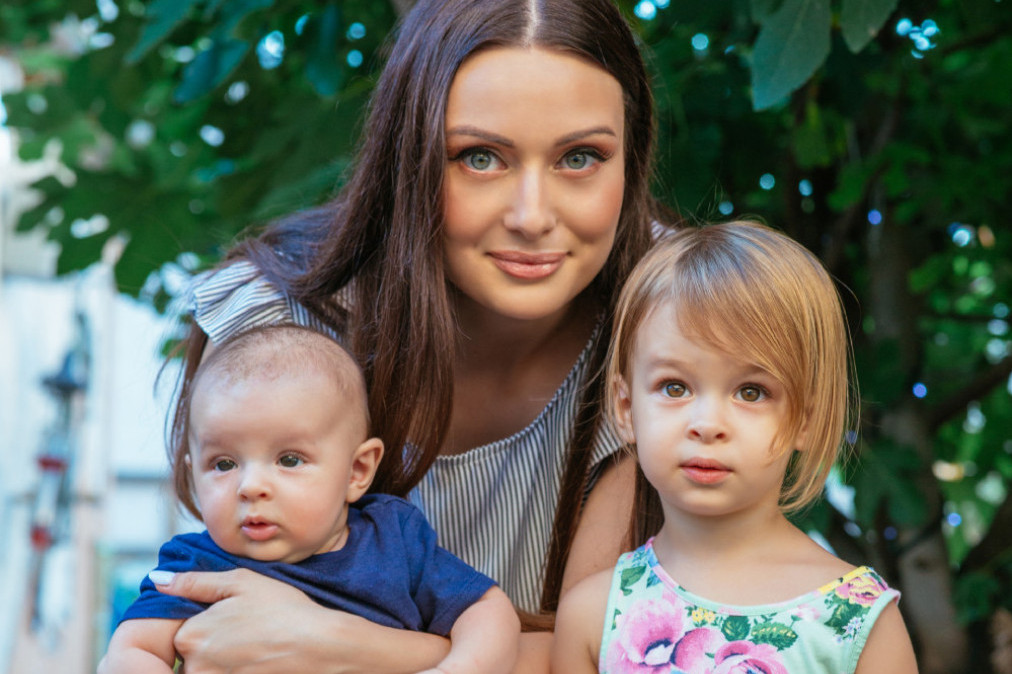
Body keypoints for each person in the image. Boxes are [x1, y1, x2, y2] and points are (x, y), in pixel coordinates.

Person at [152, 0, 666, 670]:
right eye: (479, 157)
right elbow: (226, 635)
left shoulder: (667, 327)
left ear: (631, 160)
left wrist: (335, 642)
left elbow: (601, 657)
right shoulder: (280, 320)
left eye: (580, 157)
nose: (532, 216)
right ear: (408, 156)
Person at [551, 222, 919, 673]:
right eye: (674, 387)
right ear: (626, 409)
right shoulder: (593, 618)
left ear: (806, 419)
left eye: (751, 392)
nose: (707, 425)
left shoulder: (854, 622)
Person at [99, 324, 520, 674]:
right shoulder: (196, 565)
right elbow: (132, 651)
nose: (251, 486)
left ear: (357, 471)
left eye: (289, 459)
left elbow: (487, 610)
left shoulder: (393, 540)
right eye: (224, 464)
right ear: (193, 476)